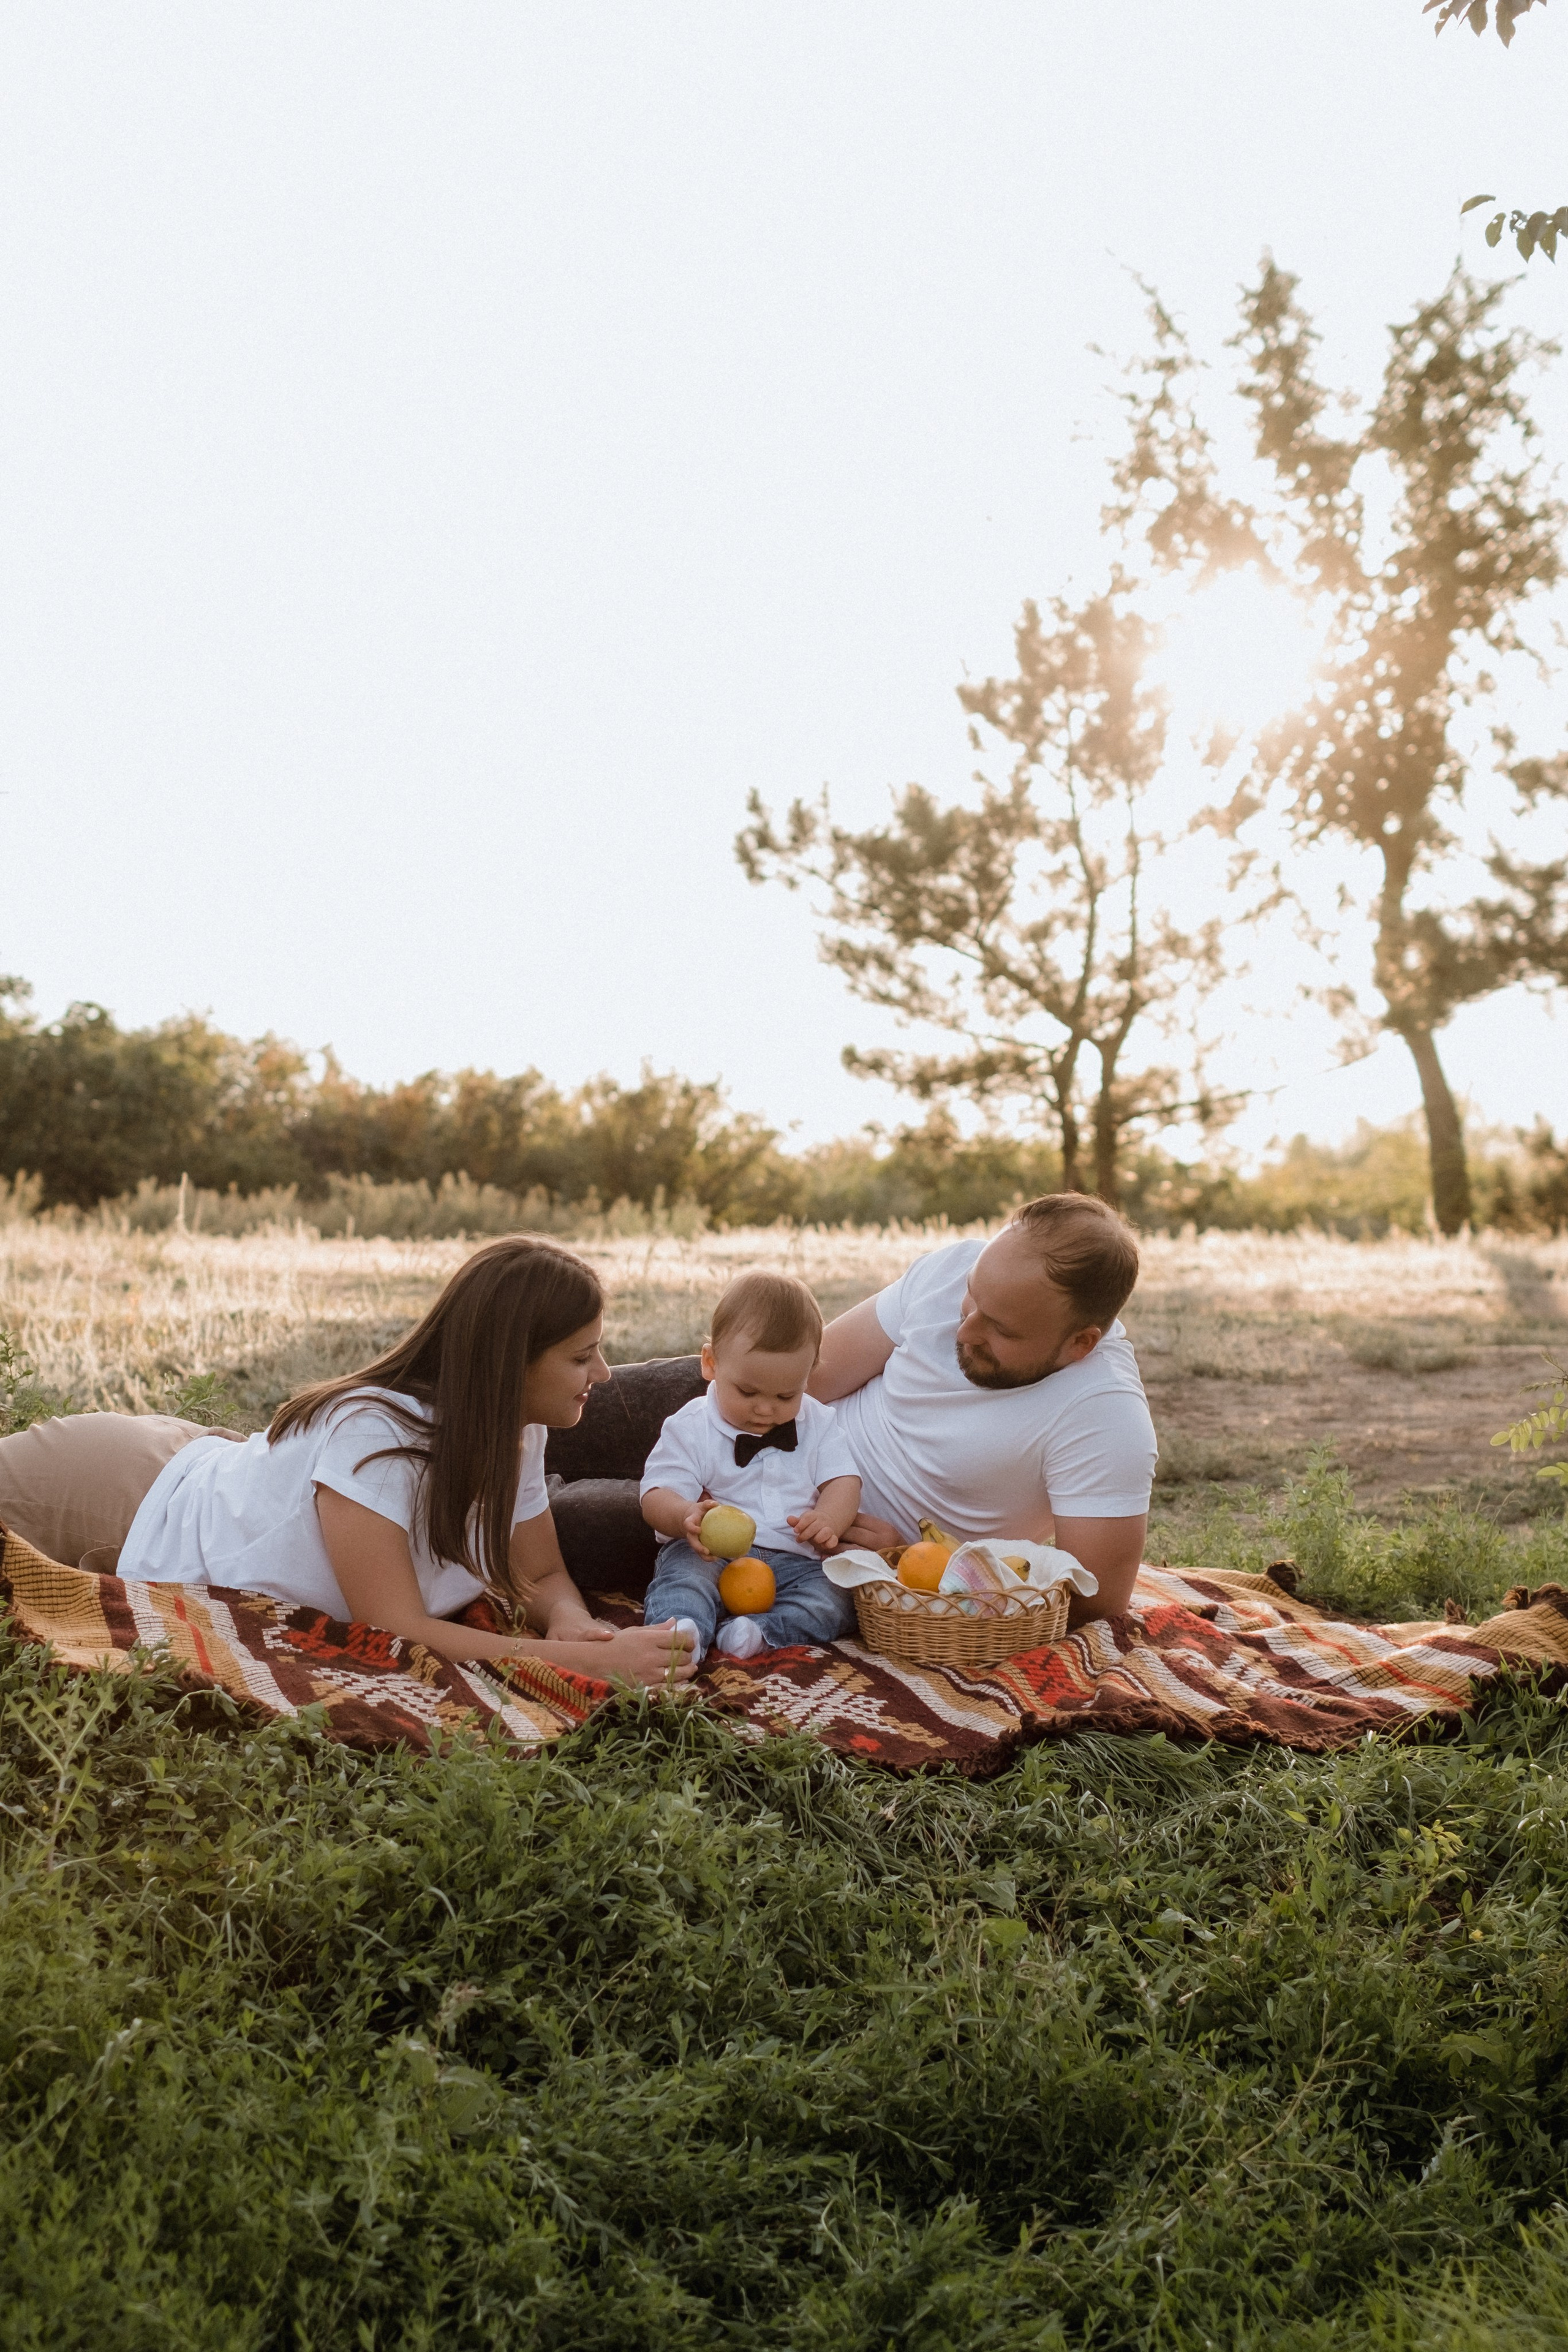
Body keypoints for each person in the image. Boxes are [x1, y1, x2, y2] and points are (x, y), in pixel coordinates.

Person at [0, 1237, 696, 1689]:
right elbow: (395, 1629)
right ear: (508, 1361)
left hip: (206, 1469)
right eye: (581, 1356)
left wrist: (565, 1617)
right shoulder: (378, 1437)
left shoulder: (515, 1432)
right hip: (119, 1494)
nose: (603, 1375)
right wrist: (586, 1662)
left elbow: (539, 1571)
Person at [809, 1193, 1157, 1623]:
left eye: (1002, 1330)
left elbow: (1094, 1607)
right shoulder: (952, 1269)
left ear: (1080, 1343)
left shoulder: (1106, 1415)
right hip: (774, 1446)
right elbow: (813, 1375)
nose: (966, 1330)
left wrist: (911, 1564)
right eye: (972, 1295)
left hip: (841, 1561)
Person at [639, 1270, 861, 1660]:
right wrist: (685, 1515)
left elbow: (844, 1481)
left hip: (795, 1560)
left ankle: (760, 1633)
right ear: (710, 1363)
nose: (765, 1408)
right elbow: (657, 1493)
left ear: (808, 1377)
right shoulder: (691, 1427)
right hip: (712, 1554)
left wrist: (829, 1519)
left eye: (785, 1395)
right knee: (686, 1577)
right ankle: (682, 1632)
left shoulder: (820, 1424)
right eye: (748, 1391)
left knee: (838, 1595)